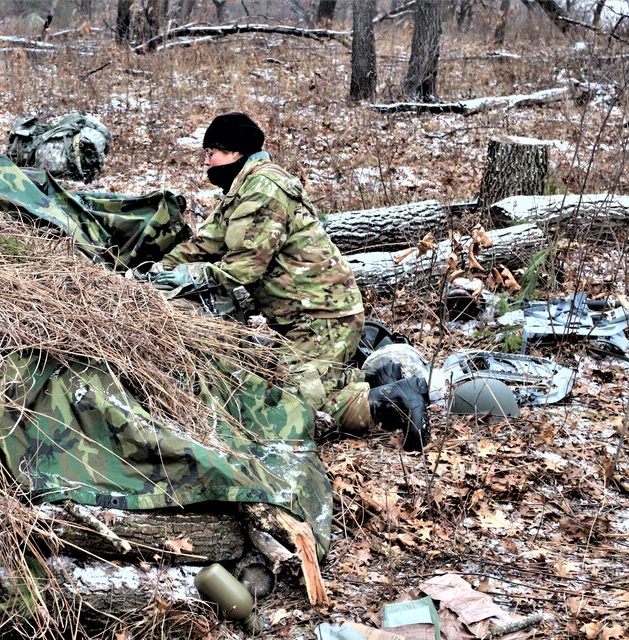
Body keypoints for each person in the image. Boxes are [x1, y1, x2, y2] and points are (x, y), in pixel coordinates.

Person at [150, 112, 429, 450]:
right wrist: (153, 273)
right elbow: (204, 243)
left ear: (235, 152)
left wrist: (180, 279)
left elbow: (244, 268)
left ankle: (392, 399)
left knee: (288, 412)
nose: (207, 162)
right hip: (304, 318)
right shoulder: (243, 190)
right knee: (278, 384)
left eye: (212, 153)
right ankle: (369, 378)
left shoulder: (264, 189)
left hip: (321, 318)